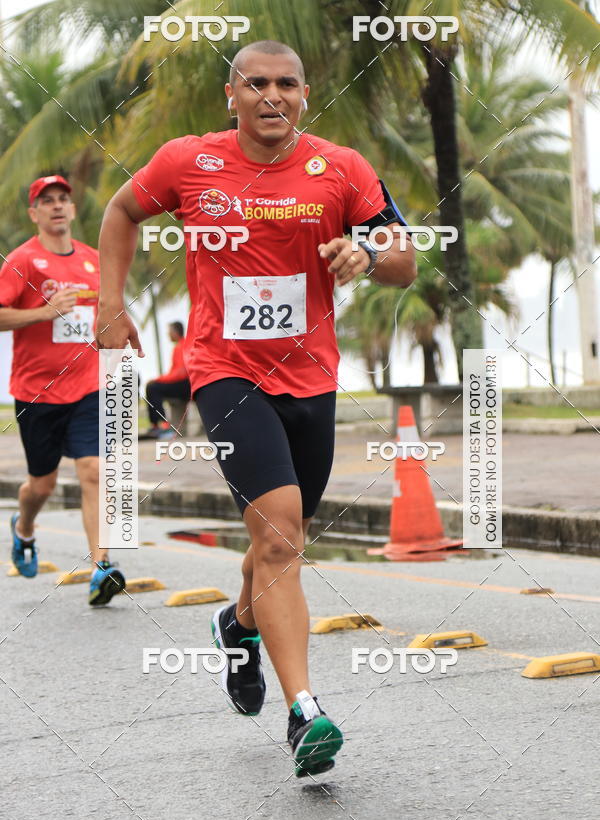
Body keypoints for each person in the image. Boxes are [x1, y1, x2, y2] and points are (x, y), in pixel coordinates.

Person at [96, 40, 416, 776]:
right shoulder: (187, 161)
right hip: (226, 374)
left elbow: (403, 256)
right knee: (278, 540)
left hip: (313, 379)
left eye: (287, 85)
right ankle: (305, 713)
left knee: (286, 540)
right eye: (256, 84)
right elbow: (120, 212)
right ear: (230, 95)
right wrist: (110, 306)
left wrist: (367, 257)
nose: (272, 96)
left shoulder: (342, 169)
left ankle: (236, 625)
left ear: (306, 95)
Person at [0, 175, 126, 606]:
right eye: (46, 201)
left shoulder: (94, 260)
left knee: (93, 469)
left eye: (63, 200)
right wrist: (43, 312)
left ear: (72, 210)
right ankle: (25, 528)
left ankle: (102, 565)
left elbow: (108, 314)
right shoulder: (22, 262)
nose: (57, 206)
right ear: (34, 213)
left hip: (89, 386)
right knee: (43, 485)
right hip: (37, 391)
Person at [143, 320, 190, 439]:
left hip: (185, 385)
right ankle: (158, 425)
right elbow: (174, 373)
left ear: (175, 332)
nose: (168, 334)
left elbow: (180, 373)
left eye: (169, 331)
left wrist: (157, 379)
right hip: (183, 384)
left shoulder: (181, 346)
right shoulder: (179, 346)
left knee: (152, 387)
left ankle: (160, 425)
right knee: (154, 387)